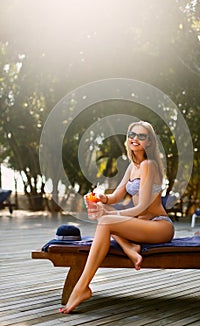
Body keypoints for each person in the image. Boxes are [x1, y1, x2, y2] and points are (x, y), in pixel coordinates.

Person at [60, 120, 174, 314]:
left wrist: (111, 214)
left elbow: (141, 207)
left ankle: (81, 288)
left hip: (159, 226)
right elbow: (115, 196)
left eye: (141, 136)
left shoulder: (149, 165)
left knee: (106, 219)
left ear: (149, 142)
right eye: (132, 134)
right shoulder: (133, 167)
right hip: (141, 225)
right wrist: (101, 198)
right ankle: (128, 247)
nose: (135, 139)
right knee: (105, 217)